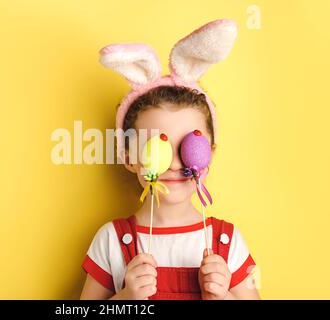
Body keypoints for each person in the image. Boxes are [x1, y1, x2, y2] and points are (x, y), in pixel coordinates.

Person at [80, 19, 260, 300]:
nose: (175, 163)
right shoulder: (112, 241)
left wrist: (225, 297)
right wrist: (125, 299)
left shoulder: (227, 241)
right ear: (128, 156)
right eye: (157, 146)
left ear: (209, 154)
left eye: (189, 144)